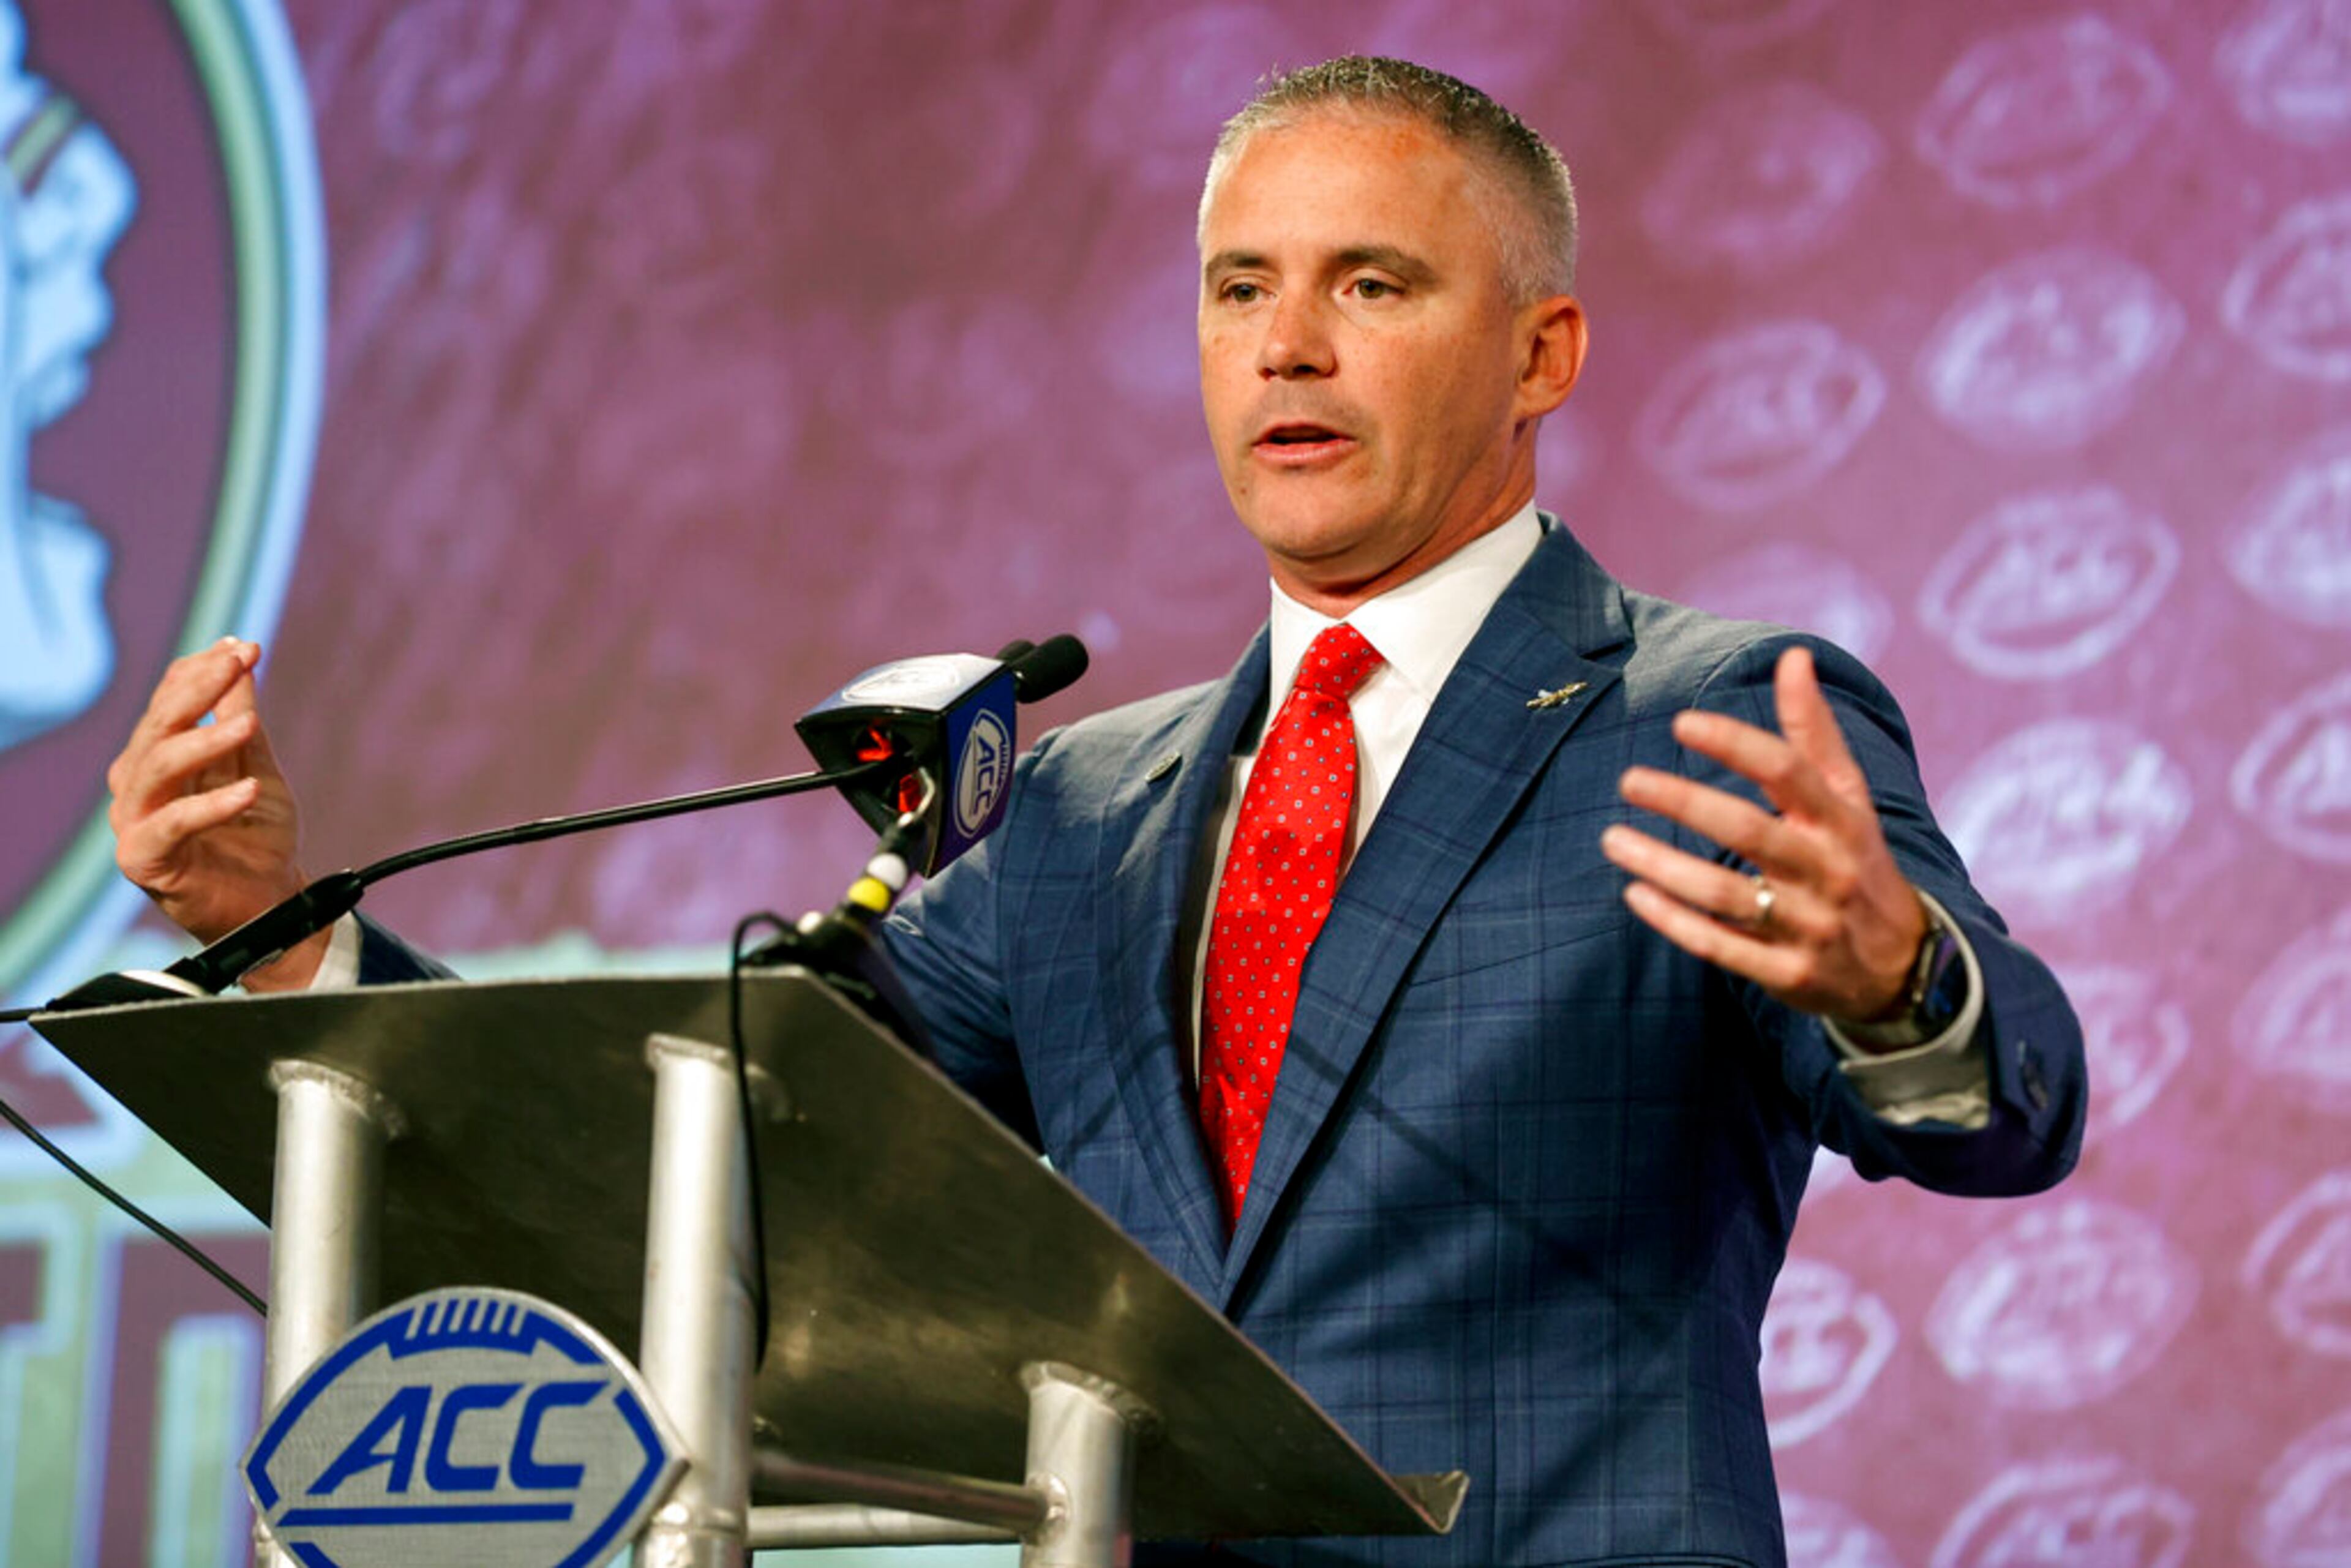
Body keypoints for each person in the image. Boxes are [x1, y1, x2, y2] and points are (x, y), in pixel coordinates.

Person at [106, 58, 2084, 1568]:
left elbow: (2014, 1106)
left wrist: (1904, 981)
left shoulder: (1703, 715)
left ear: (1540, 353)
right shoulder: (1079, 803)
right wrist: (288, 937)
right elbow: (734, 1133)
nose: (1286, 346)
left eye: (1369, 284)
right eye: (1241, 289)